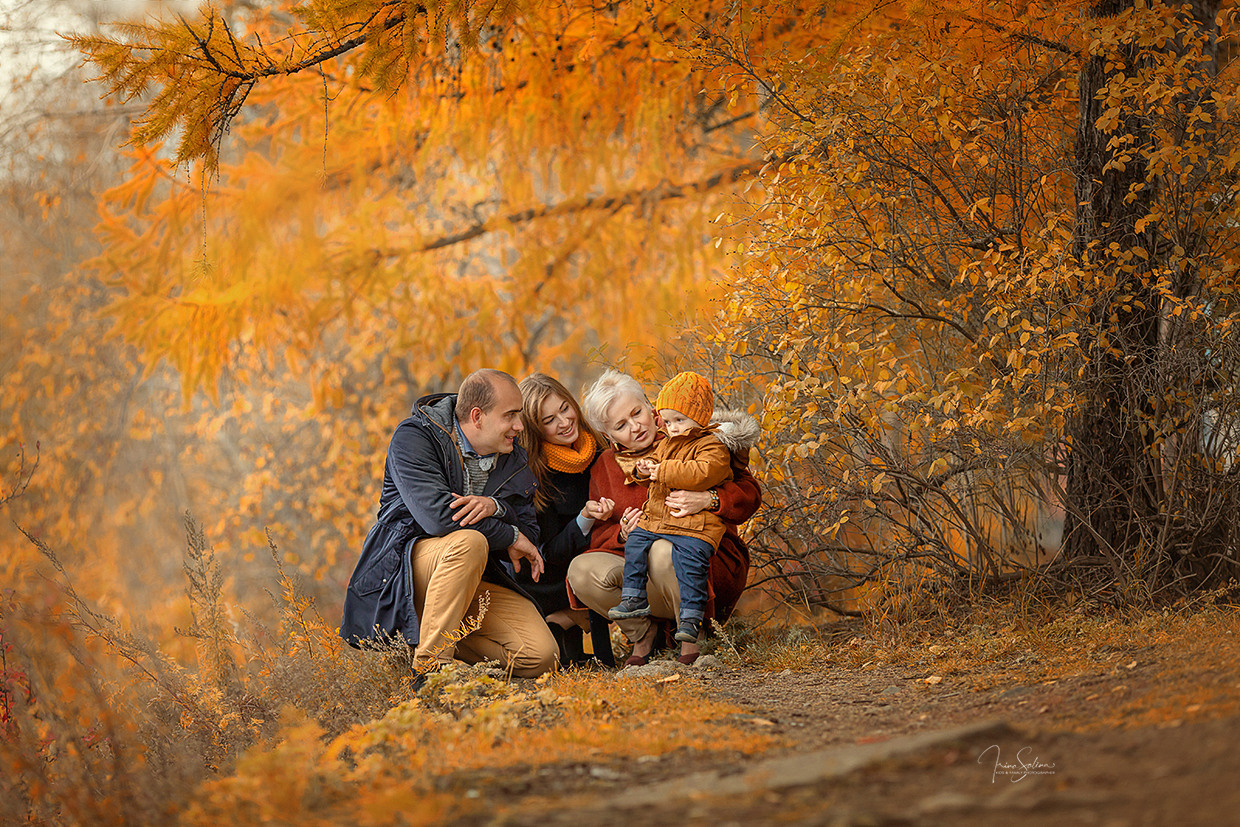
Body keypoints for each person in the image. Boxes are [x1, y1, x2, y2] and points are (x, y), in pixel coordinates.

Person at [339, 369, 558, 679]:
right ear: (477, 416)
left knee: (541, 656)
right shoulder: (415, 437)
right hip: (407, 572)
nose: (519, 426)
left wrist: (496, 507)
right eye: (510, 416)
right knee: (470, 541)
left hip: (468, 580)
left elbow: (529, 535)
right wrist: (507, 535)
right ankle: (430, 671)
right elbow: (440, 519)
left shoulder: (512, 457)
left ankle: (437, 643)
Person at [568, 370, 761, 666]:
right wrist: (621, 533)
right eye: (621, 425)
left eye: (637, 412)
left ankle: (695, 637)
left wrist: (710, 499)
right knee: (581, 570)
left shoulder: (688, 434)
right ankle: (644, 635)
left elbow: (750, 494)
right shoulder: (604, 466)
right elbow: (599, 536)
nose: (635, 427)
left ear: (650, 405)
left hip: (706, 562)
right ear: (608, 435)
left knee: (662, 551)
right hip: (642, 569)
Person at [607, 371, 733, 654]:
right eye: (668, 420)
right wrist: (643, 469)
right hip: (661, 523)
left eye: (680, 420)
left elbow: (702, 473)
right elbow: (655, 460)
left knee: (689, 565)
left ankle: (690, 620)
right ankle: (633, 597)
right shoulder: (667, 443)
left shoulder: (712, 445)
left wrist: (661, 471)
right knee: (636, 543)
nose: (672, 427)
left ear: (699, 418)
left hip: (695, 527)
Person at [514, 373, 615, 667]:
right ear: (535, 429)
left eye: (565, 408)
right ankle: (564, 619)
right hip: (553, 576)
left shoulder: (599, 445)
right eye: (549, 420)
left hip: (607, 553)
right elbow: (548, 555)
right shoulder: (536, 477)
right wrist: (584, 519)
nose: (564, 421)